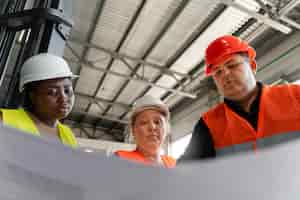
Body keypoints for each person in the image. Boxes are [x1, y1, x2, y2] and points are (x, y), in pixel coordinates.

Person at [180, 35, 300, 161]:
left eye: (232, 65)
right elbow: (187, 171)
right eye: (218, 72)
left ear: (252, 66)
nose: (225, 73)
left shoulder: (295, 97)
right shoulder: (208, 125)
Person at [0, 53, 78, 148]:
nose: (63, 98)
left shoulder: (68, 135)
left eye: (67, 90)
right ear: (32, 96)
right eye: (52, 92)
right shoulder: (5, 120)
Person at [115, 95, 176, 168]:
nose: (152, 127)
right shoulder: (120, 159)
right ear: (133, 130)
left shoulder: (174, 164)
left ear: (166, 129)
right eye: (144, 122)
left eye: (157, 122)